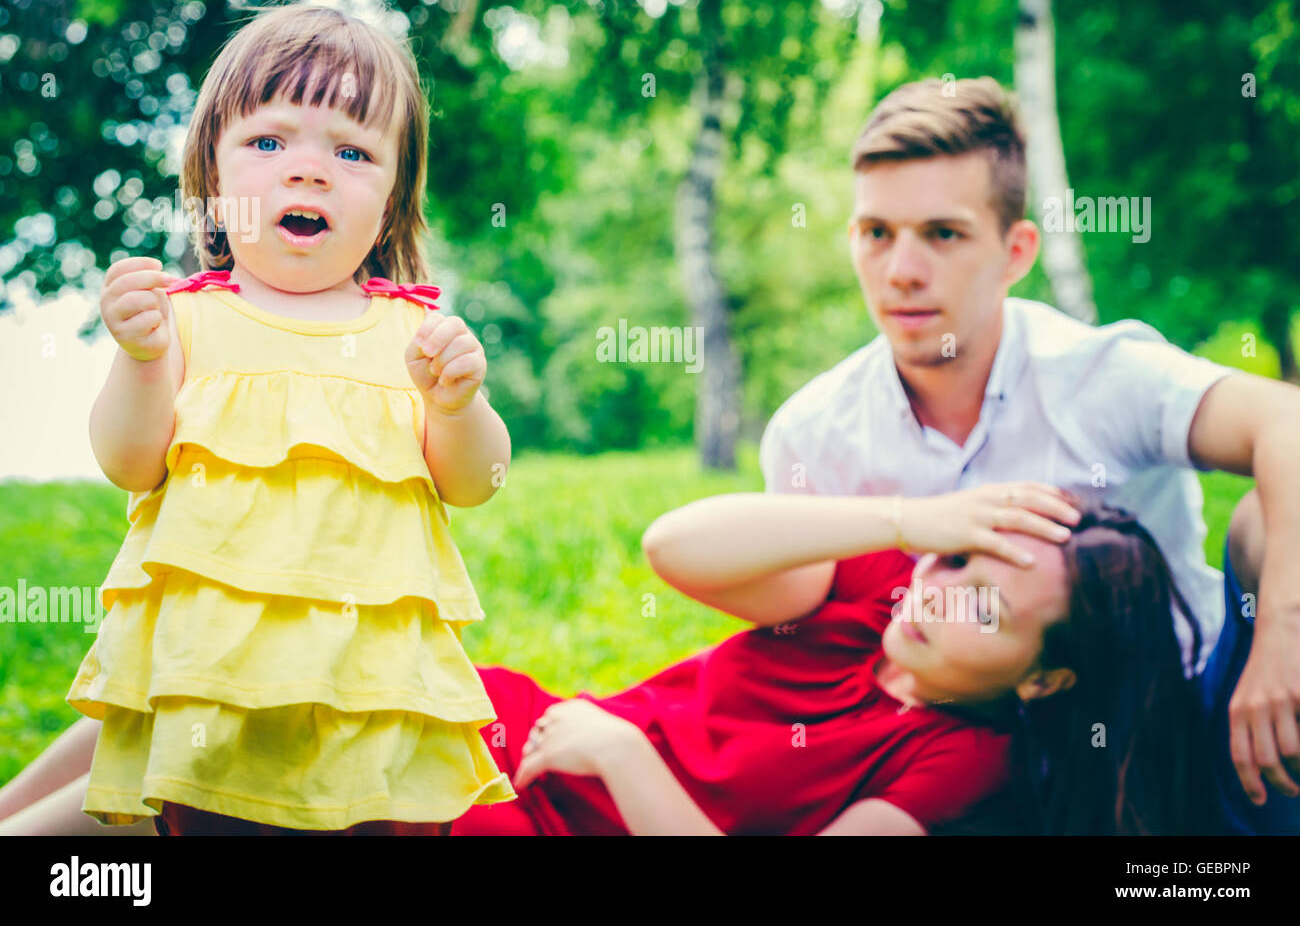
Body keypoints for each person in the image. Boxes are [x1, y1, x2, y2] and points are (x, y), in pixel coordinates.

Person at [0, 486, 1216, 835]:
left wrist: (628, 757)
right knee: (197, 679)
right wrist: (912, 525)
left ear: (1046, 679)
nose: (938, 605)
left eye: (986, 614)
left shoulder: (960, 761)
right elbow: (674, 544)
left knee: (219, 770)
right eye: (955, 571)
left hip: (544, 820)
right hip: (516, 735)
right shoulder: (868, 593)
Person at [757, 76, 1300, 834]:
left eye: (943, 233)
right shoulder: (814, 435)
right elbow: (803, 643)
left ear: (1016, 252)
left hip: (1190, 714)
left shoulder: (1101, 375)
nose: (901, 271)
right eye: (875, 232)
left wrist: (1284, 632)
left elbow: (1287, 421)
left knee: (1263, 528)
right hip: (971, 756)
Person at [55, 0, 515, 835]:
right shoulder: (187, 320)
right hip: (216, 692)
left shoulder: (413, 330)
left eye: (352, 150)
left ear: (390, 198)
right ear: (212, 174)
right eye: (269, 142)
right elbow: (129, 462)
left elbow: (475, 482)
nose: (308, 171)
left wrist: (460, 404)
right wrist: (142, 357)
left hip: (378, 696)